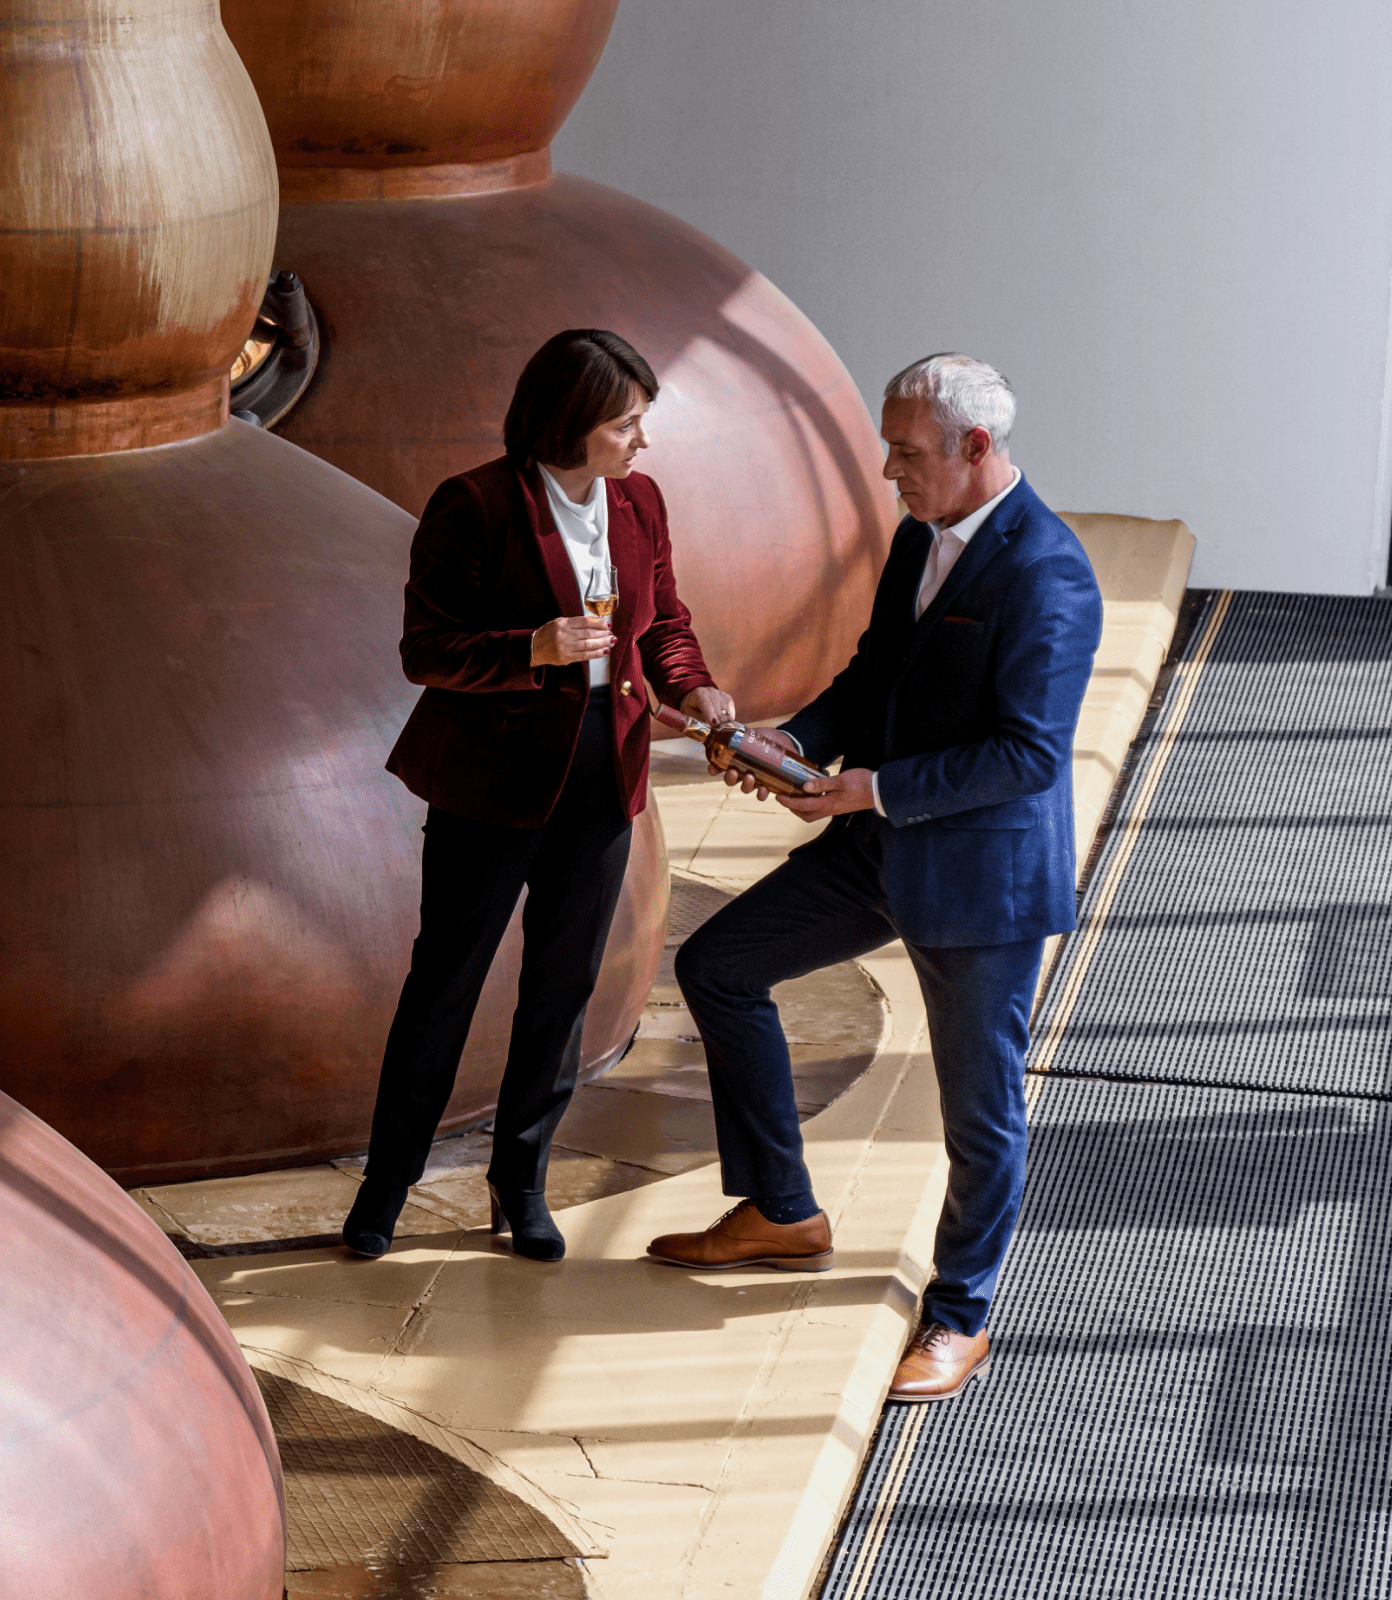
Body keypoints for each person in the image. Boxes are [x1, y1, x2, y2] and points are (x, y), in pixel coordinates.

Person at [648, 353, 1103, 1401]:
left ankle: (960, 1316)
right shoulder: (917, 540)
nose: (890, 469)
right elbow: (870, 679)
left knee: (977, 1109)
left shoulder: (1049, 574)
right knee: (721, 964)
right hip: (880, 846)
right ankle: (780, 1208)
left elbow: (1027, 756)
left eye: (906, 451)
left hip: (978, 883)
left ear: (975, 449)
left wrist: (868, 791)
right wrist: (790, 741)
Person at [344, 329, 731, 1263]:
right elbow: (426, 652)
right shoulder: (473, 505)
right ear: (571, 424)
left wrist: (696, 688)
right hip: (491, 785)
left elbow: (664, 623)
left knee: (561, 990)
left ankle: (522, 1182)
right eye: (626, 425)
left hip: (605, 776)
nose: (641, 443)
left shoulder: (639, 502)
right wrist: (532, 649)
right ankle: (386, 1186)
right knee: (445, 987)